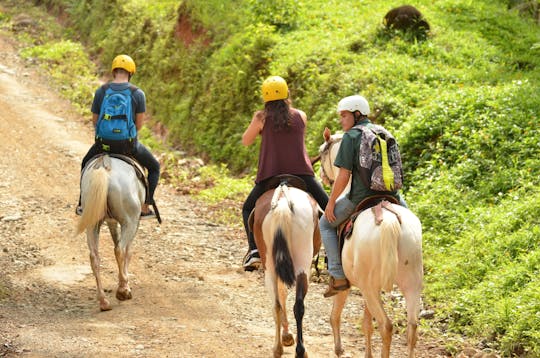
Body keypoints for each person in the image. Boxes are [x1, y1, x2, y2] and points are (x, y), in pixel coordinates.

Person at [320, 95, 405, 297]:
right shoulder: (385, 132)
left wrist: (331, 203)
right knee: (411, 226)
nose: (341, 120)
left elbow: (343, 176)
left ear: (357, 114)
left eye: (344, 115)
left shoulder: (351, 137)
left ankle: (337, 275)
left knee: (324, 224)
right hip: (393, 196)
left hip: (361, 198)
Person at [241, 76, 329, 271]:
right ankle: (333, 256)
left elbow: (246, 141)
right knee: (329, 208)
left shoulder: (260, 118)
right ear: (287, 93)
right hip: (302, 175)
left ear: (265, 96)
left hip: (270, 175)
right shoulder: (301, 115)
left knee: (247, 209)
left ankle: (254, 250)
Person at [76, 54, 160, 219]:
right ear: (131, 72)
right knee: (154, 167)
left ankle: (81, 203)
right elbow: (139, 125)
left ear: (114, 71)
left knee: (85, 163)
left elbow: (94, 120)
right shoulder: (137, 94)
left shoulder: (101, 91)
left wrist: (106, 135)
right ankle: (145, 207)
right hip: (127, 145)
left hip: (103, 144)